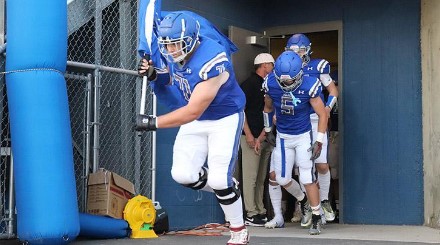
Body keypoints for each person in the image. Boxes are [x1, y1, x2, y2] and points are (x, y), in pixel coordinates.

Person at [137, 12, 248, 245]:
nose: (172, 50)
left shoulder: (213, 57)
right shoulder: (173, 51)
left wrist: (153, 122)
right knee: (183, 175)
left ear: (192, 39)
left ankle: (238, 230)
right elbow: (170, 79)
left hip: (222, 118)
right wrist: (154, 73)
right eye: (167, 44)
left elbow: (193, 110)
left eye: (176, 43)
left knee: (219, 179)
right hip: (197, 118)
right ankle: (227, 185)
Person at [261, 51, 328, 235]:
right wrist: (268, 130)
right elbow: (267, 108)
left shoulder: (310, 84)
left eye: (290, 80)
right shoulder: (271, 83)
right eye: (283, 80)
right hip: (283, 136)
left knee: (306, 177)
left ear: (299, 74)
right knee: (282, 179)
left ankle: (316, 215)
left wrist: (319, 140)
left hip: (302, 136)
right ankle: (304, 200)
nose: (286, 84)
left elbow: (323, 114)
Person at [285, 33, 338, 223]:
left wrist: (328, 107)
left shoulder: (317, 66)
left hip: (316, 120)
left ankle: (324, 200)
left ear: (307, 50)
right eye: (292, 51)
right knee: (302, 168)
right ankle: (306, 204)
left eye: (299, 50)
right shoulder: (285, 67)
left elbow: (333, 90)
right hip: (297, 122)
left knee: (322, 164)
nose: (296, 54)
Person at [239, 53, 274, 226]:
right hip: (251, 137)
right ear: (264, 65)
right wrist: (250, 136)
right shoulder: (249, 84)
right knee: (251, 176)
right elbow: (240, 110)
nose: (274, 67)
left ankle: (260, 210)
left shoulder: (268, 84)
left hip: (265, 135)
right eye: (272, 64)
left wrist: (262, 135)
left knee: (261, 178)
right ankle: (250, 212)